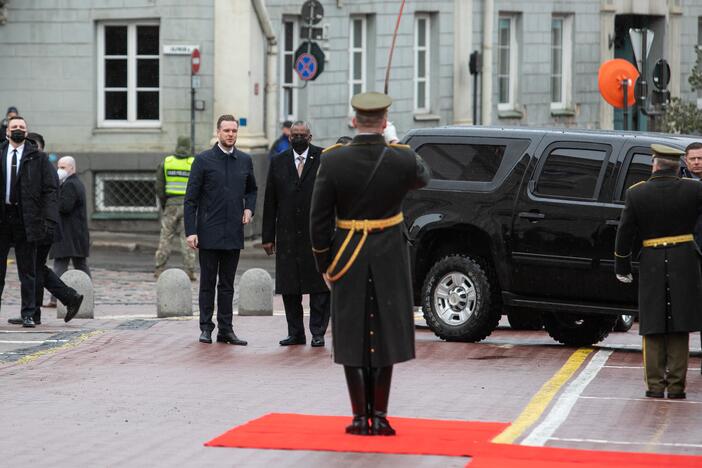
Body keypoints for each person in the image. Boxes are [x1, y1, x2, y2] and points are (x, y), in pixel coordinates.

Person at [310, 92, 430, 435]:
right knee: (386, 334)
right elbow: (424, 175)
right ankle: (380, 416)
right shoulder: (400, 159)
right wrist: (394, 140)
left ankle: (359, 418)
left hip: (347, 256)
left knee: (352, 334)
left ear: (353, 121)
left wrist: (324, 261)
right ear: (383, 121)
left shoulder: (333, 161)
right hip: (389, 257)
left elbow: (319, 221)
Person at [615, 144, 702, 400]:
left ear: (655, 164)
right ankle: (676, 386)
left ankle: (654, 385)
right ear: (679, 165)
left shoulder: (636, 194)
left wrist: (623, 265)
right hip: (685, 259)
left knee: (652, 323)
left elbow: (625, 233)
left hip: (652, 258)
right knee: (680, 322)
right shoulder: (695, 190)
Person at [184, 114, 257, 346]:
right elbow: (190, 199)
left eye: (234, 131)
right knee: (207, 282)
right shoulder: (203, 160)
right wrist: (191, 231)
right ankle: (206, 328)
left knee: (227, 285)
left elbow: (252, 190)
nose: (231, 134)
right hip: (208, 232)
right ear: (218, 132)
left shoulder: (244, 160)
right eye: (226, 131)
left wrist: (249, 209)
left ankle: (226, 330)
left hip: (233, 232)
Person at [262, 121, 330, 347]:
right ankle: (295, 332)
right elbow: (270, 200)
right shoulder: (278, 161)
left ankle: (318, 332)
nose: (298, 138)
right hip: (288, 234)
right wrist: (267, 237)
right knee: (290, 288)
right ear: (289, 138)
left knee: (319, 287)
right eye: (295, 135)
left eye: (303, 135)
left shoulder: (324, 158)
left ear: (310, 137)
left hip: (317, 234)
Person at [7, 133, 83, 325]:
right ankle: (40, 310)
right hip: (33, 227)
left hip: (42, 228)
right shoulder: (29, 165)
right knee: (35, 268)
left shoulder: (40, 165)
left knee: (33, 268)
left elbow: (49, 197)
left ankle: (62, 300)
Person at [0, 116, 57, 327]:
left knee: (28, 270)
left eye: (22, 127)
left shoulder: (38, 158)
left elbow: (51, 189)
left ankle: (29, 313)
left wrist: (48, 218)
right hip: (3, 219)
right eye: (14, 127)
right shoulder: (1, 152)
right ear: (7, 131)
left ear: (26, 131)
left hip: (27, 219)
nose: (18, 130)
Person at [48, 156, 90, 307]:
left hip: (68, 234)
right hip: (74, 234)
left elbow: (64, 207)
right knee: (79, 264)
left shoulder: (71, 184)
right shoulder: (70, 183)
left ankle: (55, 298)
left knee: (61, 265)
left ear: (72, 168)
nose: (60, 170)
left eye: (63, 167)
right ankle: (87, 294)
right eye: (59, 167)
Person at [154, 136, 197, 281]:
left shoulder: (167, 162)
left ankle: (159, 268)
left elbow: (159, 187)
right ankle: (190, 270)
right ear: (190, 146)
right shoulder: (194, 163)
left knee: (166, 237)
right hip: (189, 207)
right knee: (188, 238)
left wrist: (165, 202)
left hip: (171, 204)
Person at [681, 141, 702, 375]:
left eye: (700, 158)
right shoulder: (678, 184)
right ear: (686, 160)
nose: (697, 162)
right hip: (683, 256)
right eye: (693, 158)